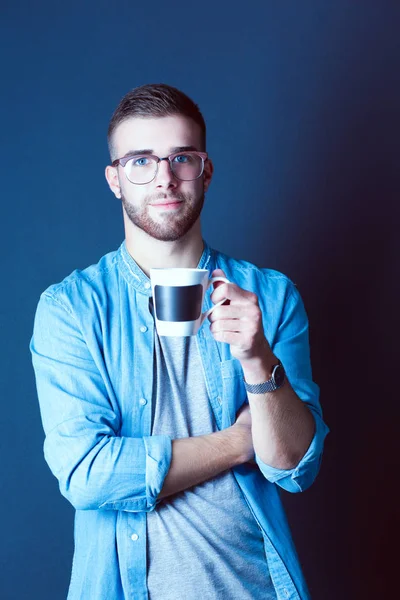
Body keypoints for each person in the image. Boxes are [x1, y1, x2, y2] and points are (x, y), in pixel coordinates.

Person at [30, 83, 329, 600]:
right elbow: (87, 474)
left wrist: (258, 361)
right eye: (140, 161)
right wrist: (238, 443)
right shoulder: (71, 309)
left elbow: (294, 469)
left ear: (205, 171)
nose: (164, 178)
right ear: (115, 180)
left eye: (181, 158)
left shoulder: (271, 296)